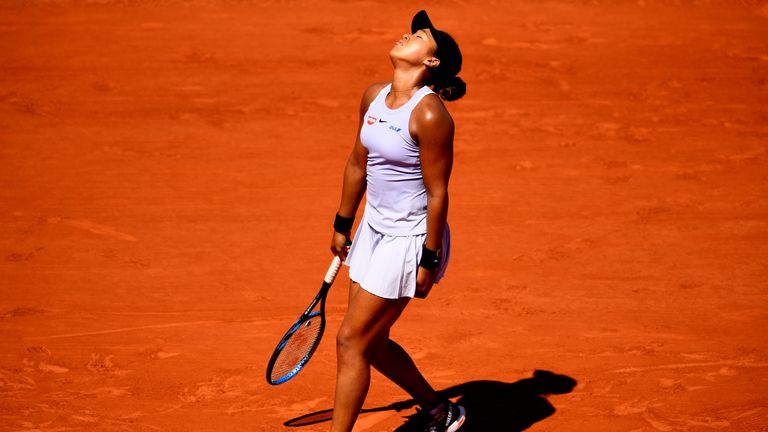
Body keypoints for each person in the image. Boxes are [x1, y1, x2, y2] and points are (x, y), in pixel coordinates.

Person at [328, 10, 467, 432]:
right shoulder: (373, 95)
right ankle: (439, 411)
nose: (407, 34)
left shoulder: (430, 116)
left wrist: (429, 259)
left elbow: (439, 193)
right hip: (372, 230)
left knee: (351, 341)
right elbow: (357, 162)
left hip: (408, 239)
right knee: (373, 341)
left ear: (432, 62)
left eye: (420, 35)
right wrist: (342, 222)